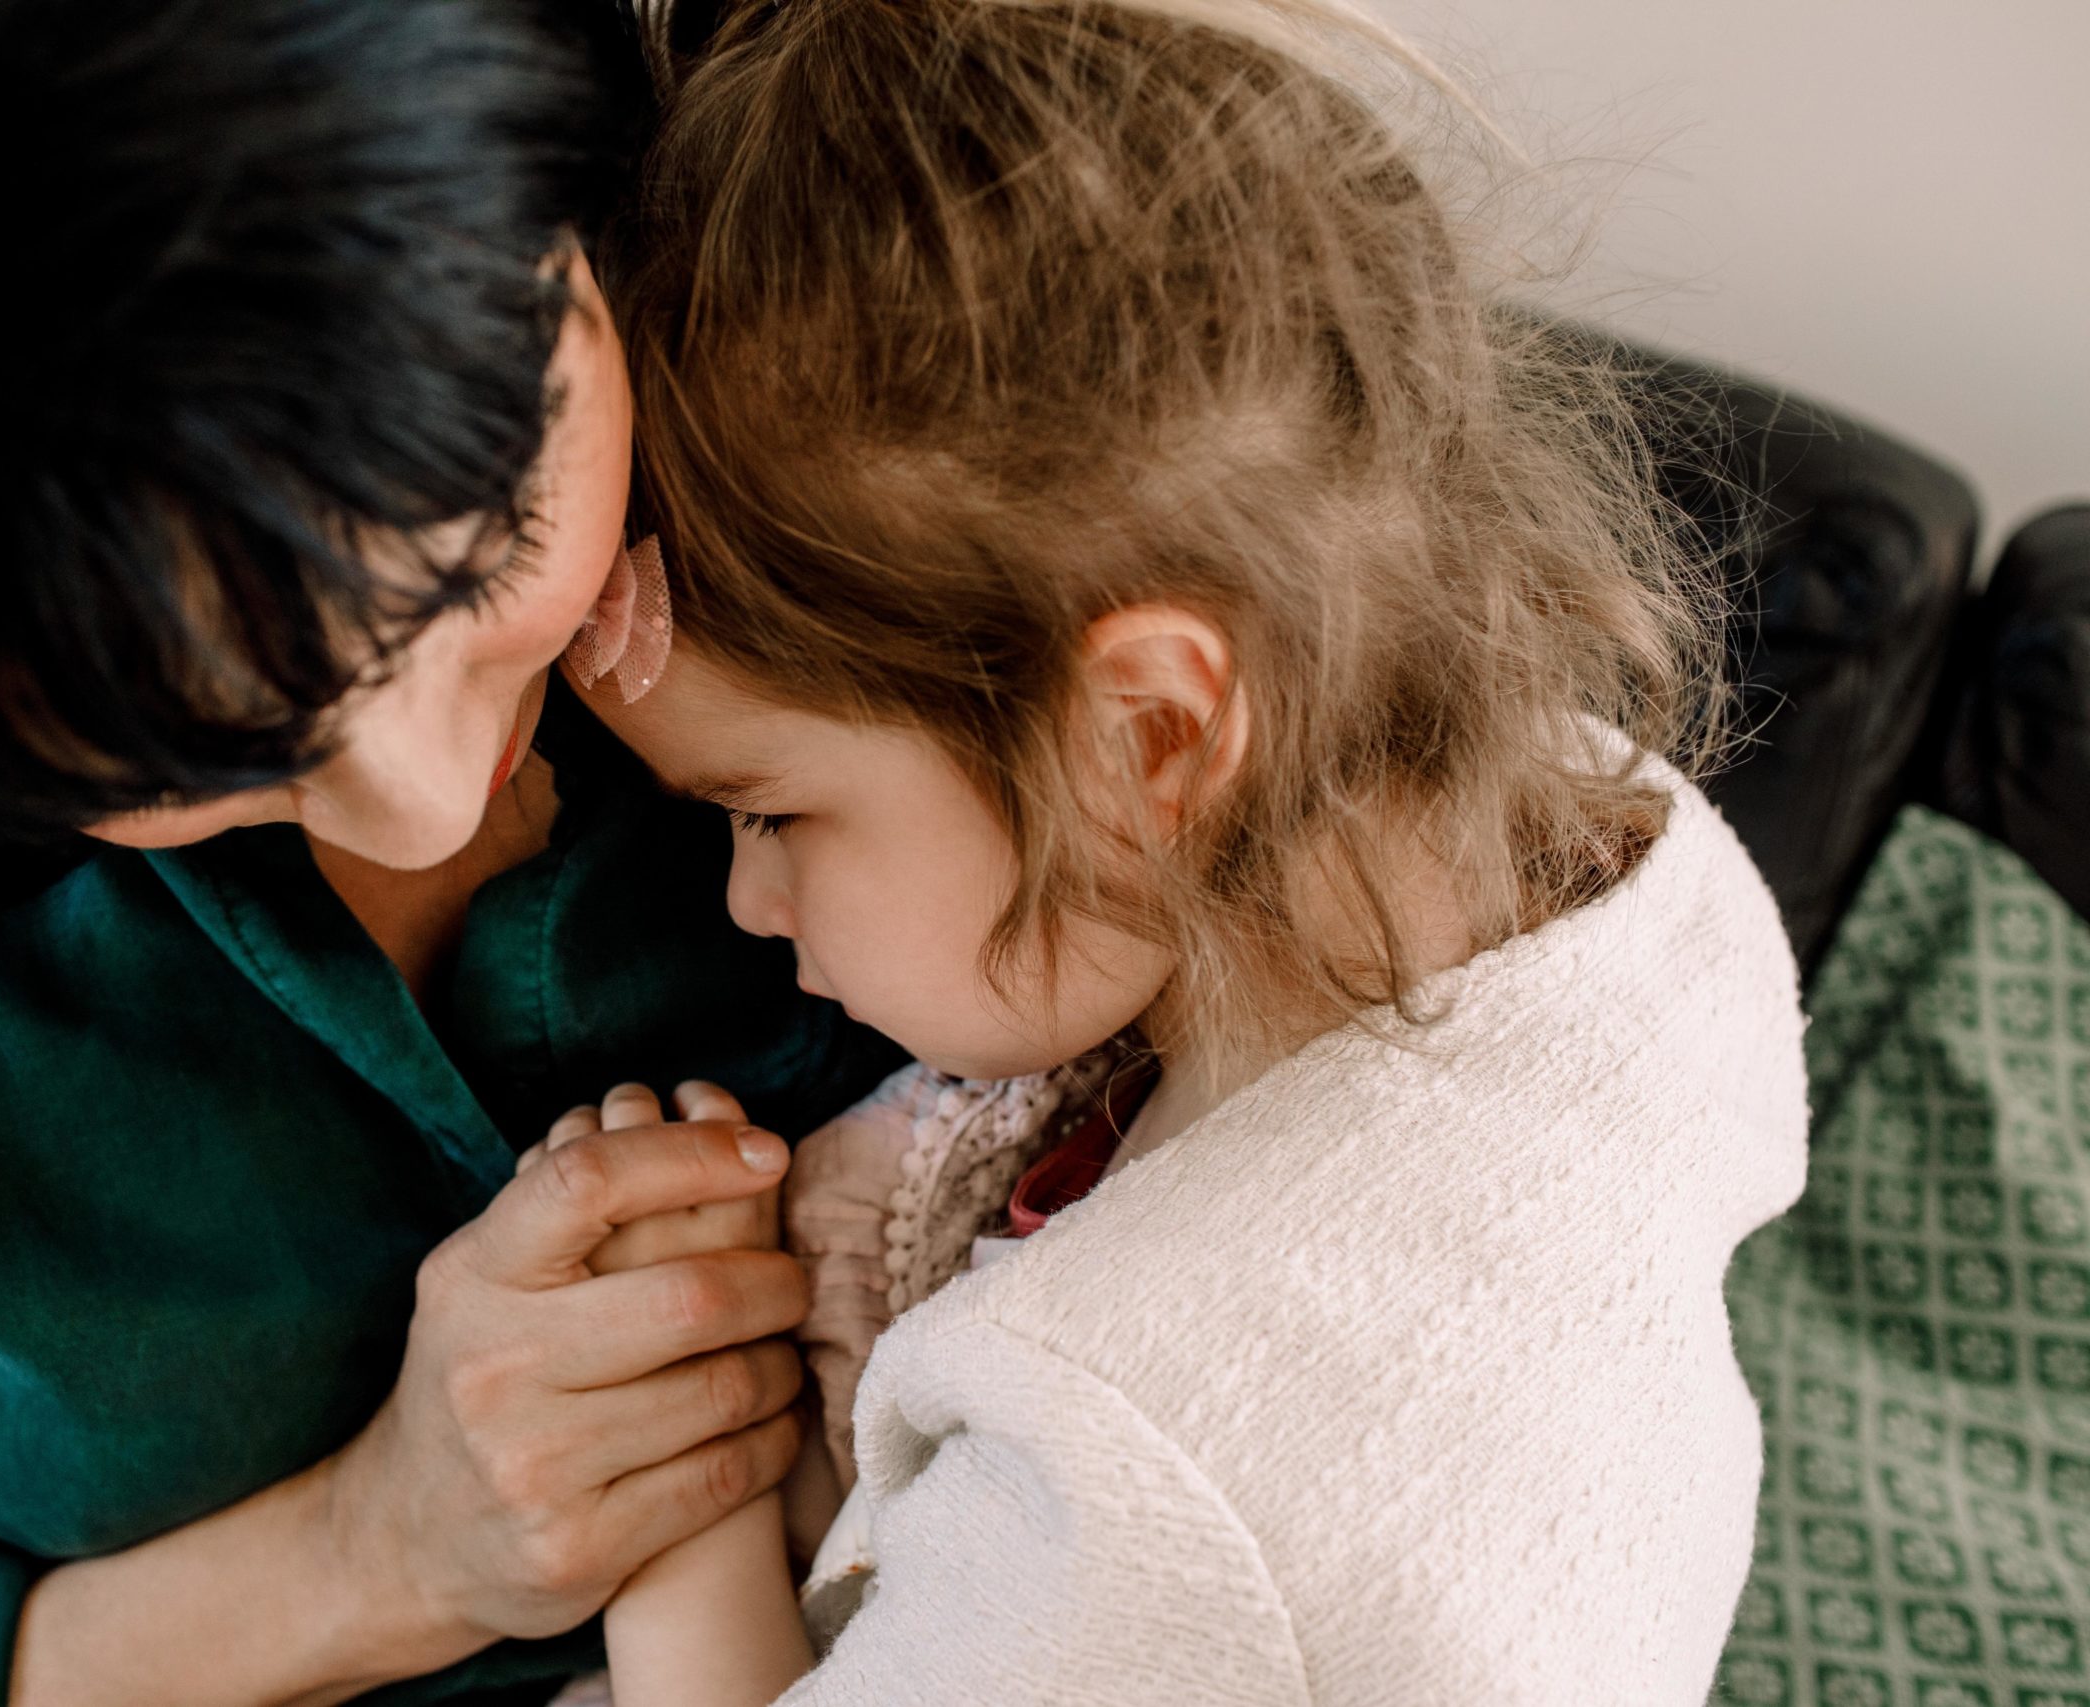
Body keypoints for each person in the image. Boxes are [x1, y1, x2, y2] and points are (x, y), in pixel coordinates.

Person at [0, 2, 899, 1703]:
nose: (433, 800)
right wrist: (378, 1555)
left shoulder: (881, 237)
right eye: (190, 755)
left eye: (486, 553)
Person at [535, 0, 1814, 1699]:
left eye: (770, 809)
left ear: (1146, 736)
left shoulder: (1167, 1474)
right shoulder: (1565, 836)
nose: (750, 900)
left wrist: (672, 1505)